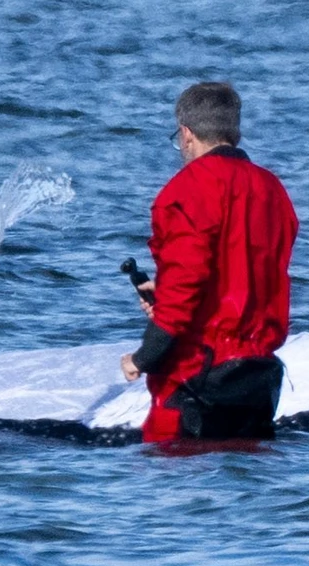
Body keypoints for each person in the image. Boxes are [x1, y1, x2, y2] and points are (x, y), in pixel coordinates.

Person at [119, 82, 298, 444]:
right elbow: (250, 271)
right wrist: (166, 290)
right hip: (256, 377)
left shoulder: (185, 191)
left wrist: (143, 358)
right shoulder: (273, 190)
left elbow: (184, 293)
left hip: (196, 377)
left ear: (186, 134)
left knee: (171, 478)